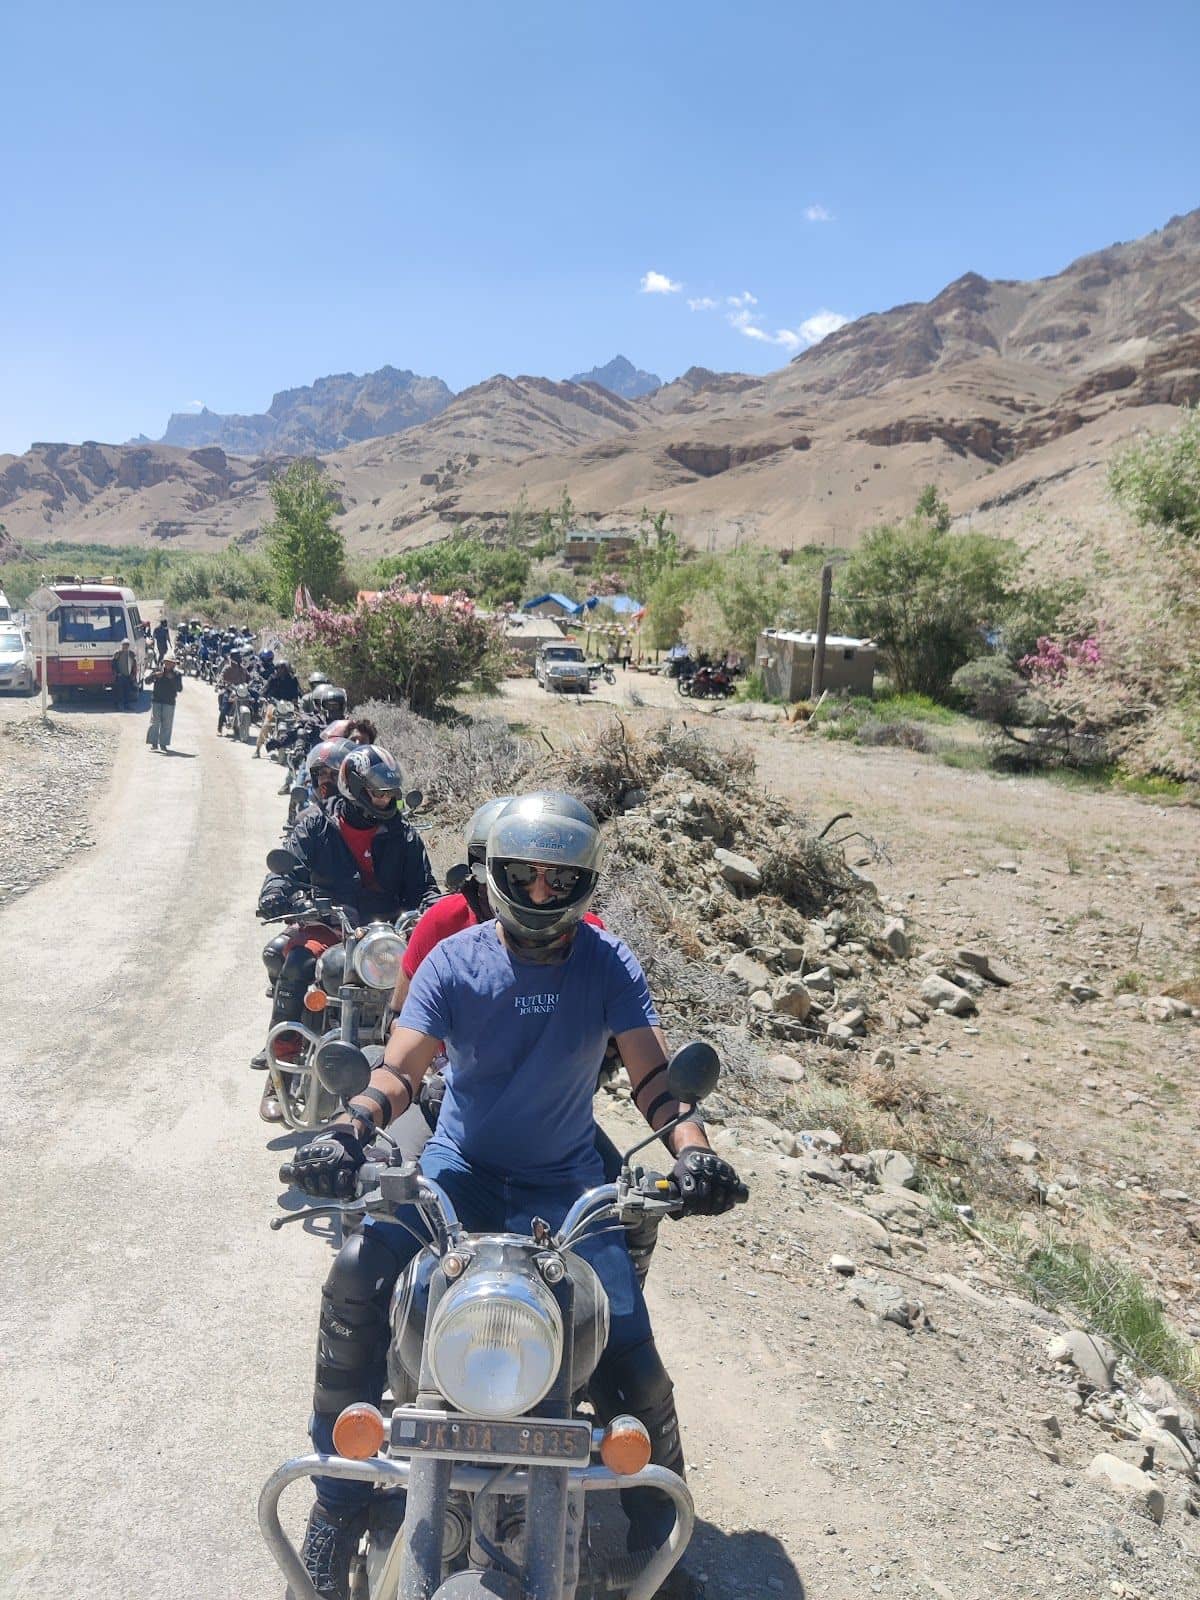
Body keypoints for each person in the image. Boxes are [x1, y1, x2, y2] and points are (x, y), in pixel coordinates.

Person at [286, 791, 745, 1599]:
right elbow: (399, 1071)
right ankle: (337, 1499)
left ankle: (659, 1540)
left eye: (557, 879)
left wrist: (697, 1155)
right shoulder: (453, 961)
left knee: (632, 1356)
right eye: (524, 876)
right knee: (358, 1270)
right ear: (495, 873)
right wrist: (348, 1133)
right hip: (458, 1173)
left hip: (567, 1188)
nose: (539, 893)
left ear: (583, 882)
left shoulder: (609, 963)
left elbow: (655, 1083)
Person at [253, 745, 439, 1121]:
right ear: (354, 787)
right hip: (331, 925)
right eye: (379, 792)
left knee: (434, 980)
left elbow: (425, 888)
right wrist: (277, 892)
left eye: (390, 793)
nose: (386, 799)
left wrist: (435, 908)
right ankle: (280, 1078)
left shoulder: (402, 835)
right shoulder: (315, 823)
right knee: (300, 964)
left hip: (386, 935)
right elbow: (286, 870)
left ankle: (434, 1077)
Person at [145, 655, 182, 751]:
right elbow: (146, 681)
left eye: (171, 663)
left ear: (174, 664)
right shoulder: (158, 671)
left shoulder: (177, 674)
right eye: (167, 662)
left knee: (167, 724)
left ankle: (163, 744)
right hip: (156, 700)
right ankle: (153, 743)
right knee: (154, 722)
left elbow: (179, 688)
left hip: (169, 702)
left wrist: (172, 679)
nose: (169, 664)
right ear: (164, 662)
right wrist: (154, 676)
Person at [216, 650, 250, 733]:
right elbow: (221, 676)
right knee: (224, 708)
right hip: (230, 690)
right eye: (237, 656)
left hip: (241, 691)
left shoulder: (242, 669)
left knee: (251, 701)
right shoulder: (228, 667)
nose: (239, 658)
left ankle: (244, 723)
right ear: (232, 657)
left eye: (239, 656)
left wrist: (251, 682)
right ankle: (219, 728)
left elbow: (248, 677)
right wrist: (221, 682)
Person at [112, 640, 137, 710]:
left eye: (127, 645)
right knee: (119, 692)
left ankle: (127, 705)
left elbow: (133, 664)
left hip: (128, 675)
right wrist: (117, 673)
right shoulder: (118, 653)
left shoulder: (131, 653)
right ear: (122, 645)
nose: (125, 646)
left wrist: (133, 674)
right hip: (120, 676)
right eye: (124, 645)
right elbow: (113, 663)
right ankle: (118, 706)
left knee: (127, 691)